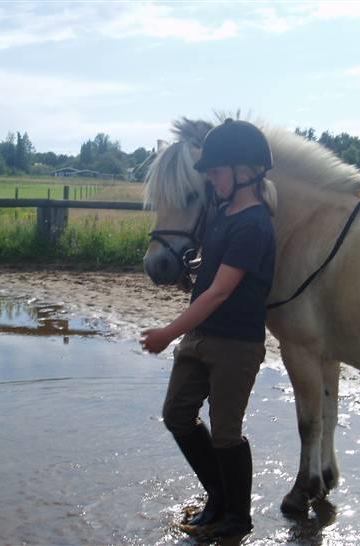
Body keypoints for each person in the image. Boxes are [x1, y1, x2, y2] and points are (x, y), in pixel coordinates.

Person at [141, 119, 277, 538]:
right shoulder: (221, 215)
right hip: (201, 336)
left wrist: (167, 333)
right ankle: (217, 495)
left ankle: (237, 518)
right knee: (177, 415)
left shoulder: (254, 224)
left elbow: (219, 292)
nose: (210, 180)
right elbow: (209, 277)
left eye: (216, 173)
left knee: (226, 434)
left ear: (243, 173)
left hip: (235, 344)